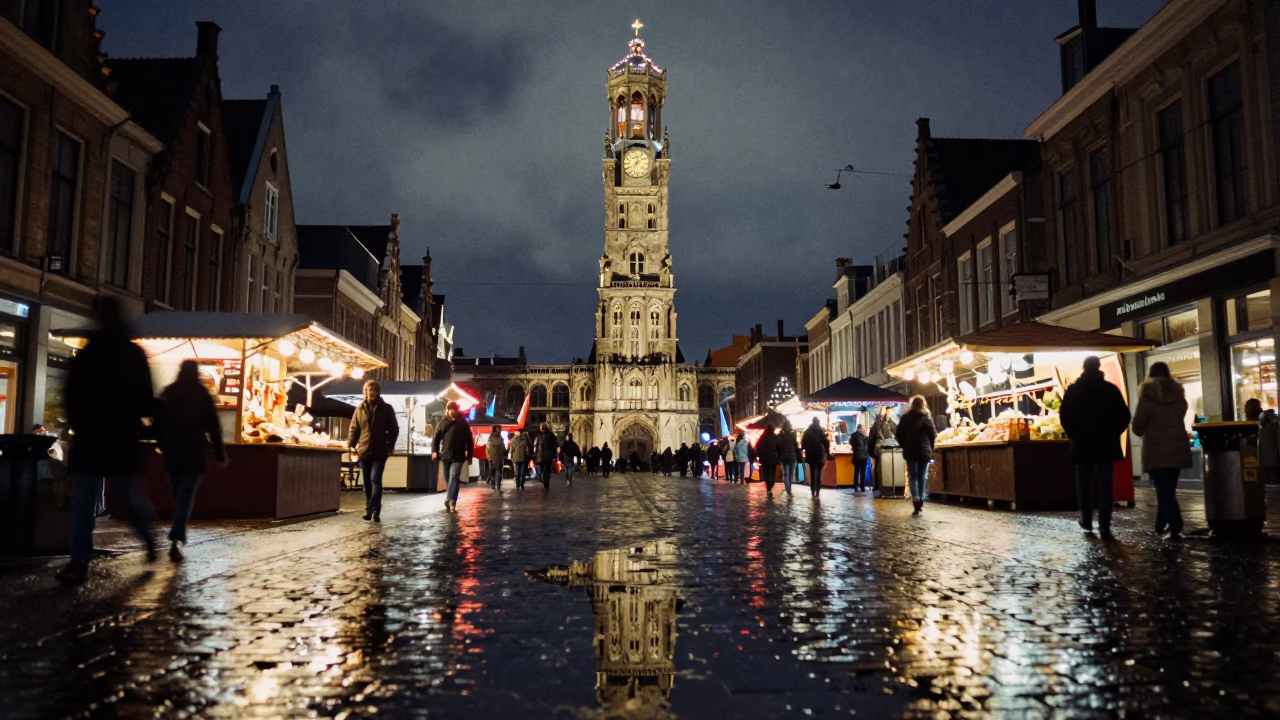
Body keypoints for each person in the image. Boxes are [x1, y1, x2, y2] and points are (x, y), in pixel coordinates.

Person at [59, 297, 157, 584]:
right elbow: (145, 399)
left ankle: (78, 561)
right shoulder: (133, 354)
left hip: (90, 437)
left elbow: (70, 395)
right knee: (130, 497)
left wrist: (78, 423)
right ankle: (149, 540)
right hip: (121, 437)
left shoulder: (87, 353)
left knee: (83, 502)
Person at [154, 360, 226, 561]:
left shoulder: (169, 392)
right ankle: (176, 538)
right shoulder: (202, 394)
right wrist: (220, 455)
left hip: (172, 451)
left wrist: (162, 443)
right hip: (194, 451)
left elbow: (157, 423)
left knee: (179, 495)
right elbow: (214, 427)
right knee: (185, 497)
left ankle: (177, 537)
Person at [1059, 356, 1130, 539]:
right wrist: (1113, 432)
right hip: (1106, 445)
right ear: (1099, 368)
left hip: (1082, 445)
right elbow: (1124, 416)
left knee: (1084, 484)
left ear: (1084, 368)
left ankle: (1087, 520)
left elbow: (1065, 416)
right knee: (1105, 484)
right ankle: (1105, 524)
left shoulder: (1074, 390)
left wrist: (1073, 434)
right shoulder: (1110, 390)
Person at [1131, 362, 1191, 539]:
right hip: (1177, 448)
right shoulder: (1179, 397)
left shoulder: (1147, 397)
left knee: (1163, 490)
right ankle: (1160, 524)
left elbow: (1137, 427)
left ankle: (1175, 522)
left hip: (1156, 450)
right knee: (1167, 490)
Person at [352, 380, 400, 520]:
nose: (371, 392)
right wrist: (351, 445)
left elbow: (394, 429)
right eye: (368, 390)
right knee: (367, 482)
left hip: (380, 450)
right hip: (364, 450)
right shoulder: (360, 408)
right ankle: (369, 509)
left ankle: (375, 510)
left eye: (373, 390)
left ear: (377, 392)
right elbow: (354, 428)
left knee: (375, 479)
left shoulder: (386, 408)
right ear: (365, 392)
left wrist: (389, 445)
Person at [895, 396, 937, 515]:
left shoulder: (905, 418)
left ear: (912, 405)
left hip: (910, 451)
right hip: (924, 451)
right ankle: (921, 498)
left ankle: (916, 499)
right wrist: (931, 447)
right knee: (922, 475)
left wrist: (904, 444)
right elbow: (933, 434)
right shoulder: (927, 417)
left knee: (913, 476)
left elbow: (898, 434)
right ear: (923, 404)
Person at [431, 400, 471, 513]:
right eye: (450, 411)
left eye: (454, 411)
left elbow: (469, 440)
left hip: (458, 456)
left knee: (453, 476)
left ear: (457, 411)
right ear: (447, 411)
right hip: (445, 455)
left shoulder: (463, 423)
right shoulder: (443, 422)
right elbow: (436, 437)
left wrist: (470, 456)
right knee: (450, 480)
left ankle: (448, 499)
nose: (452, 413)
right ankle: (453, 501)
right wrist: (434, 451)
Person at [802, 417, 830, 498]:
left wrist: (805, 448)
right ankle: (817, 490)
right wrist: (827, 452)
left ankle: (812, 490)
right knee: (818, 473)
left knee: (812, 472)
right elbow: (826, 442)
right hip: (820, 454)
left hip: (811, 455)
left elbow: (803, 442)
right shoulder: (821, 430)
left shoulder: (807, 431)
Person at [777, 421, 800, 495]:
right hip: (792, 457)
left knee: (786, 474)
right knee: (791, 474)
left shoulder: (780, 435)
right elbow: (796, 446)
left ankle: (788, 489)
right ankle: (789, 488)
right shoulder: (793, 435)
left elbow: (778, 447)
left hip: (784, 457)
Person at [756, 424, 780, 494]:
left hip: (764, 459)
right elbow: (779, 448)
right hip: (773, 458)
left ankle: (768, 487)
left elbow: (757, 447)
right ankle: (771, 483)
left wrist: (760, 456)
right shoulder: (775, 437)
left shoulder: (762, 437)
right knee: (772, 472)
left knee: (766, 473)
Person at [534, 422, 558, 490]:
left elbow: (535, 445)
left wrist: (535, 454)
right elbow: (555, 445)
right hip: (547, 456)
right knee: (546, 471)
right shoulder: (551, 435)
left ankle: (544, 482)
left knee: (543, 470)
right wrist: (554, 454)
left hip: (541, 456)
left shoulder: (539, 435)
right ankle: (546, 484)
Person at [850, 424, 870, 493]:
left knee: (856, 471)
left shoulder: (853, 435)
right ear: (861, 429)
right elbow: (867, 443)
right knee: (863, 472)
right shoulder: (864, 436)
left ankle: (855, 487)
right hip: (864, 456)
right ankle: (862, 488)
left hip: (856, 456)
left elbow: (851, 443)